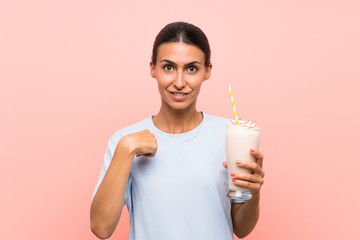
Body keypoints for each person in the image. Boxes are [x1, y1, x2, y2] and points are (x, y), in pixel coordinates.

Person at [90, 21, 265, 240]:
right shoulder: (125, 141)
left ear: (207, 71)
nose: (179, 82)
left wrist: (253, 194)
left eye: (191, 68)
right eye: (168, 67)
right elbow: (100, 227)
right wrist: (126, 148)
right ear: (152, 68)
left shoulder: (231, 135)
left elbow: (241, 229)